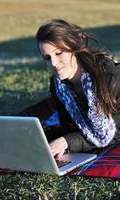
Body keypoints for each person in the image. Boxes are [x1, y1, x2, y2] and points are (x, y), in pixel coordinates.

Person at [19, 19, 120, 160]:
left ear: (74, 47)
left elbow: (115, 133)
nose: (53, 63)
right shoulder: (58, 86)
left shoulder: (110, 77)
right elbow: (71, 128)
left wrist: (67, 141)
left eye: (59, 53)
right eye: (47, 57)